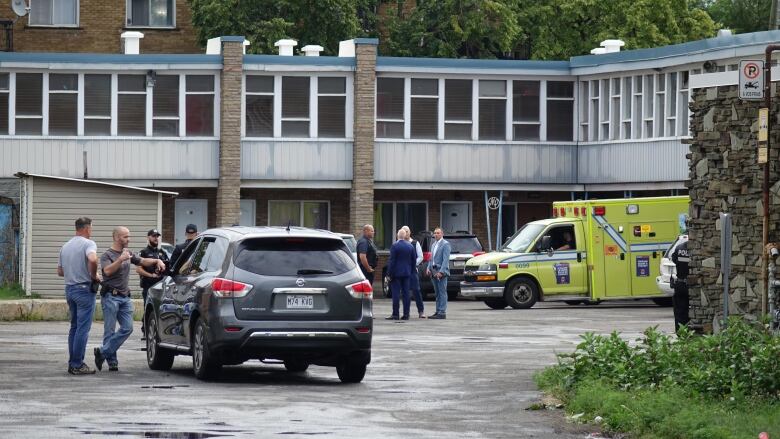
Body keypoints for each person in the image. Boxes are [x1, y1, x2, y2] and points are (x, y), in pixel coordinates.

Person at [94, 226, 165, 372]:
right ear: (117, 238)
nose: (129, 239)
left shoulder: (128, 253)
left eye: (129, 236)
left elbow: (142, 261)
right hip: (110, 297)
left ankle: (102, 352)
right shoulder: (107, 255)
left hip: (124, 297)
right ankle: (112, 361)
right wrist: (120, 260)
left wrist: (156, 261)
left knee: (128, 328)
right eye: (126, 237)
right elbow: (107, 271)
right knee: (110, 331)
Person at [58, 217, 100, 375]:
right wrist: (94, 274)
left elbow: (60, 271)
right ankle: (77, 364)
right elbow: (93, 258)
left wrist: (73, 271)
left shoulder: (65, 246)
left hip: (69, 289)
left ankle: (73, 362)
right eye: (91, 228)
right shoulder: (89, 243)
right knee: (83, 328)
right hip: (83, 289)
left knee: (74, 327)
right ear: (87, 228)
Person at [136, 229, 169, 340]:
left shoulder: (162, 253)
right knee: (148, 309)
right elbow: (139, 269)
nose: (156, 238)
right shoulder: (144, 252)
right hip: (149, 286)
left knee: (159, 310)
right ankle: (146, 331)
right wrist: (151, 275)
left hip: (161, 287)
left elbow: (168, 267)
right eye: (153, 236)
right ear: (148, 237)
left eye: (157, 236)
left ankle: (159, 332)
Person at [386, 229, 416, 320]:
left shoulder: (395, 246)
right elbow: (413, 261)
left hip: (396, 274)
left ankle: (395, 314)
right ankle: (406, 315)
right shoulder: (410, 246)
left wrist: (389, 274)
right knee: (406, 294)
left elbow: (392, 261)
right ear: (405, 236)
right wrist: (411, 271)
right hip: (406, 273)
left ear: (397, 236)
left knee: (396, 294)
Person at [426, 227, 451, 319]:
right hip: (433, 272)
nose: (436, 235)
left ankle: (442, 312)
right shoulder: (433, 244)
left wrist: (441, 272)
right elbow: (431, 259)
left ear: (442, 234)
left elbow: (445, 260)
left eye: (438, 233)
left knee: (442, 292)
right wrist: (428, 268)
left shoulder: (446, 244)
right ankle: (437, 311)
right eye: (435, 233)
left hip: (441, 272)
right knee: (437, 293)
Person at [402, 225, 425, 318]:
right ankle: (406, 313)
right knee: (405, 292)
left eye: (406, 231)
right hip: (403, 272)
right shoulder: (400, 244)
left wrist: (413, 264)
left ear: (410, 232)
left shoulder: (415, 243)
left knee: (416, 290)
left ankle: (421, 311)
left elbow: (420, 257)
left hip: (412, 271)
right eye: (403, 232)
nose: (405, 233)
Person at [670, 238, 690, 333]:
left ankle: (681, 333)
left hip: (680, 284)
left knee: (680, 312)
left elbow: (674, 260)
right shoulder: (694, 248)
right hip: (692, 285)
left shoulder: (679, 247)